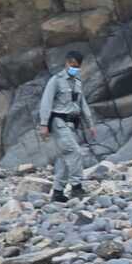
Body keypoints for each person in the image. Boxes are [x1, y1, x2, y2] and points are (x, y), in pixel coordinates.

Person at [38, 51, 97, 203]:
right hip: (59, 122)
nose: (74, 68)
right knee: (75, 152)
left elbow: (82, 104)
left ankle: (58, 192)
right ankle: (77, 187)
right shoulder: (56, 80)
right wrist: (44, 124)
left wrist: (90, 124)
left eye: (77, 66)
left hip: (71, 125)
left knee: (65, 158)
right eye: (72, 65)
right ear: (67, 62)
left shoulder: (77, 83)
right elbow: (46, 102)